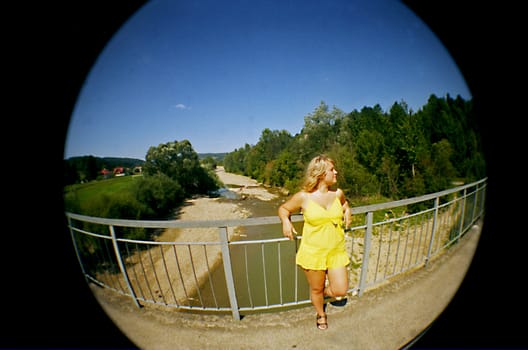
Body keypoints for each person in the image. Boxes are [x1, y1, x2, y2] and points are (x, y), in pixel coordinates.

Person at [278, 155, 352, 330]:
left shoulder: (338, 193)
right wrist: (286, 221)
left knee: (340, 290)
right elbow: (283, 208)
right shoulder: (303, 197)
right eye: (332, 170)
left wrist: (347, 209)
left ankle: (323, 294)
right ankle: (321, 313)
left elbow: (344, 203)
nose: (336, 172)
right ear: (320, 174)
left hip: (336, 251)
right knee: (316, 289)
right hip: (313, 253)